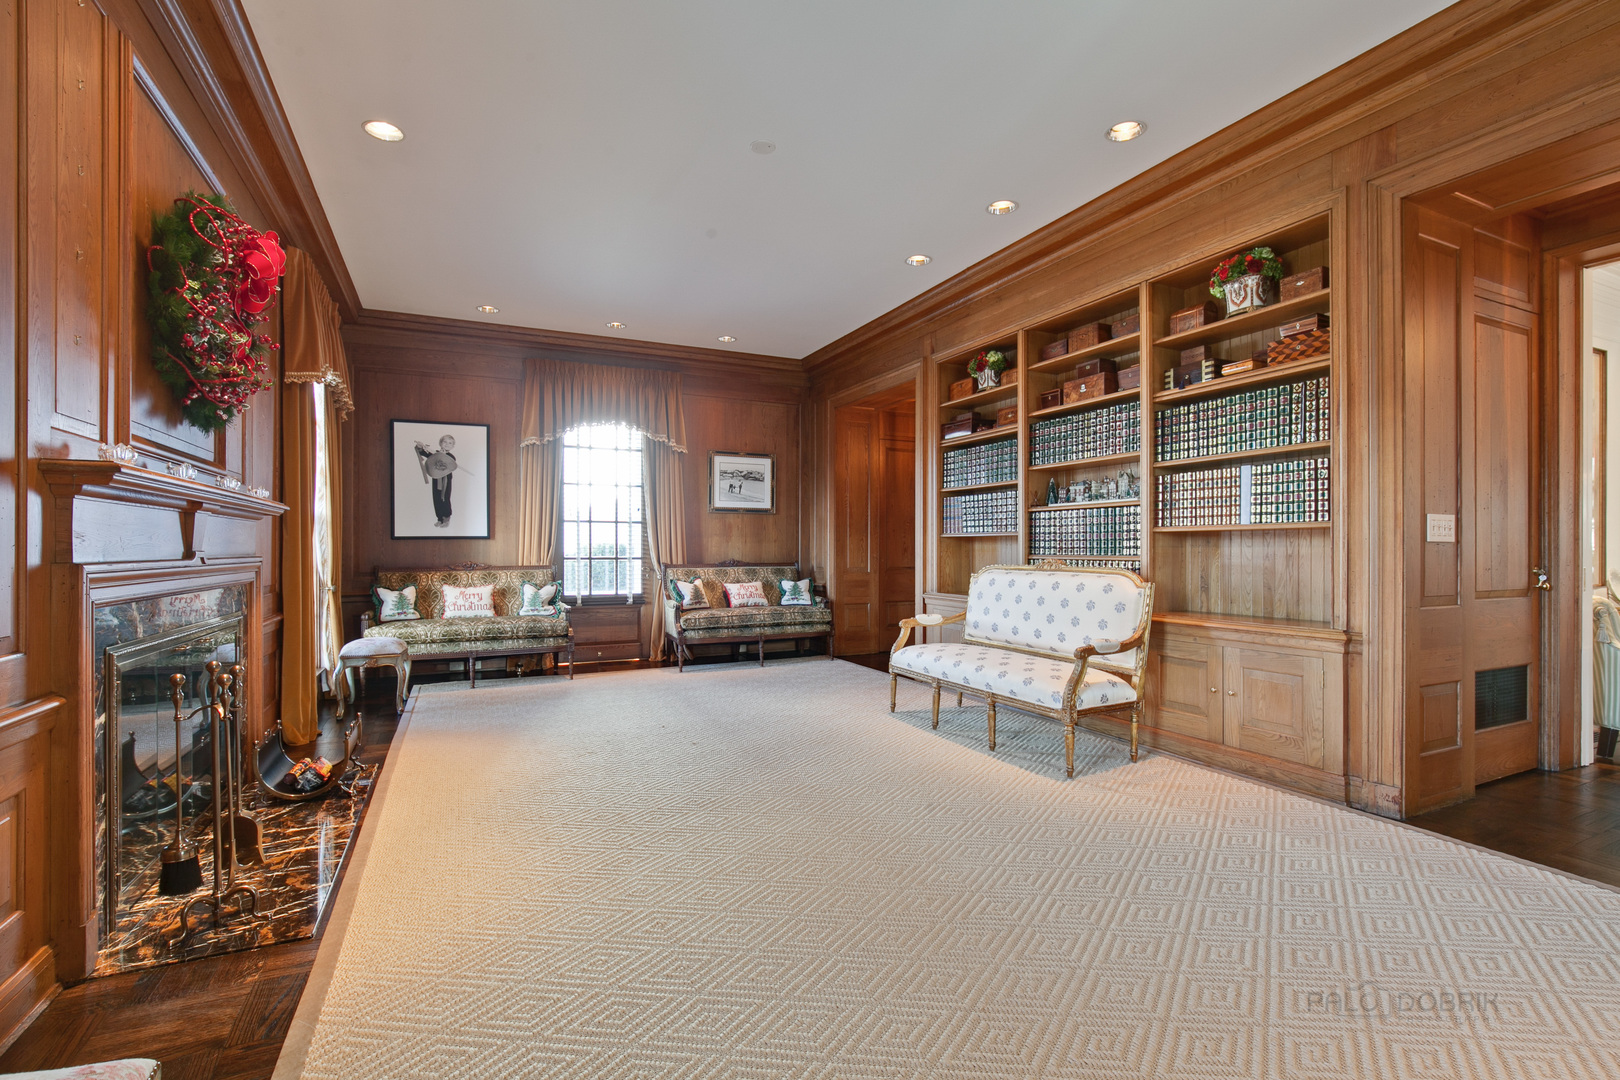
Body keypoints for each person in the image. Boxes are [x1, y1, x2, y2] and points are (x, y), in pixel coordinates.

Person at [415, 434, 458, 528]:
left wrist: (442, 455)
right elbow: (424, 454)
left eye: (450, 443)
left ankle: (446, 518)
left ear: (452, 446)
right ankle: (440, 518)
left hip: (445, 481)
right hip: (436, 479)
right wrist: (420, 447)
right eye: (445, 442)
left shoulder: (451, 456)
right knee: (437, 498)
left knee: (445, 498)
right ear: (440, 443)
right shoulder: (435, 453)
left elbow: (451, 463)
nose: (447, 444)